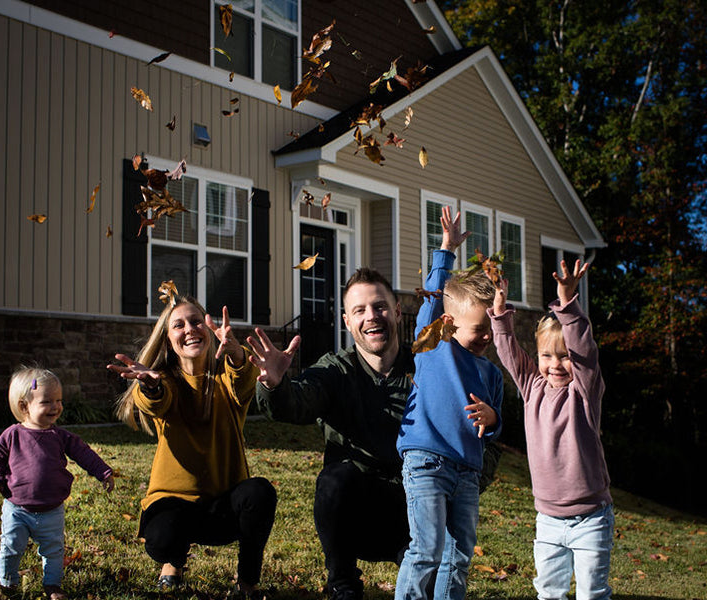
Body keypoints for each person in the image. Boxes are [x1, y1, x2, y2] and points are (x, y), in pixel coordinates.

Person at [249, 207, 479, 600]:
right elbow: (297, 403)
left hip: (417, 509)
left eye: (380, 307)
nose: (371, 317)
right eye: (359, 310)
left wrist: (445, 251)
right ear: (346, 321)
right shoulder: (335, 369)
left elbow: (473, 431)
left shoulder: (427, 366)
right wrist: (274, 384)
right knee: (334, 479)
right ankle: (342, 584)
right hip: (354, 512)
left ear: (397, 313)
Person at [107, 292, 276, 598]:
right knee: (162, 540)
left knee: (260, 492)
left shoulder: (227, 379)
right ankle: (173, 561)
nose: (189, 329)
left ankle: (247, 581)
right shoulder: (165, 381)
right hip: (174, 503)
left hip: (222, 506)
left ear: (209, 330)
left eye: (196, 321)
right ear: (168, 339)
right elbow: (156, 403)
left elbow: (243, 380)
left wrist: (237, 354)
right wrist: (150, 384)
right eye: (179, 325)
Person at [489, 260, 613, 600]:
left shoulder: (585, 392)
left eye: (563, 356)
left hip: (591, 519)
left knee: (593, 593)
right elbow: (508, 351)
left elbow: (585, 355)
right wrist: (499, 311)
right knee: (550, 592)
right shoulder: (532, 386)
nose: (555, 365)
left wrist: (568, 302)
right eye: (546, 355)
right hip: (548, 519)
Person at [394, 246, 503, 600]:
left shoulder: (492, 373)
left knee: (458, 556)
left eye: (492, 327)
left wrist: (493, 418)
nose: (487, 336)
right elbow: (435, 293)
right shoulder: (434, 345)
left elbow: (496, 426)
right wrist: (447, 250)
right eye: (479, 329)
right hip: (426, 462)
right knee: (426, 550)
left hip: (467, 473)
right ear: (449, 322)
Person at [0, 367, 115, 600]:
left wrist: (103, 472)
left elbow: (84, 454)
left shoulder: (60, 436)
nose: (56, 406)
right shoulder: (12, 435)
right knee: (12, 546)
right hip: (17, 509)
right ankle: (8, 583)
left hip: (52, 510)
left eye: (59, 400)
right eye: (47, 401)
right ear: (24, 406)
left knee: (54, 550)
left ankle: (52, 585)